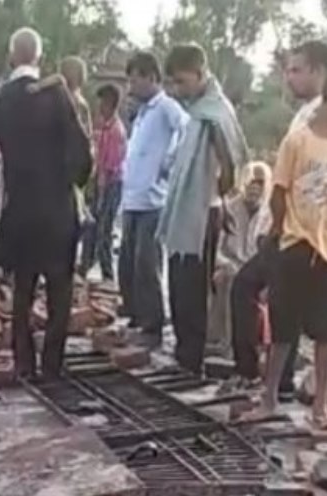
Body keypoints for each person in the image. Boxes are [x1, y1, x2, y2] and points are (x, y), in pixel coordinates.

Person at [247, 60, 327, 429]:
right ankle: (268, 397)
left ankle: (320, 405)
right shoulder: (298, 139)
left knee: (325, 330)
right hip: (298, 243)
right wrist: (282, 234)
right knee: (284, 327)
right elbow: (279, 192)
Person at [0, 28, 92, 378]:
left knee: (23, 288)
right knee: (60, 289)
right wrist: (70, 185)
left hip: (20, 212)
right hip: (58, 212)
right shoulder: (58, 96)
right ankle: (53, 365)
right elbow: (83, 156)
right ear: (38, 57)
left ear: (12, 57)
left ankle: (25, 364)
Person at [229, 41, 327, 397]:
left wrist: (280, 227)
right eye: (288, 69)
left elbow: (310, 183)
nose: (289, 78)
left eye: (296, 70)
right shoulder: (305, 113)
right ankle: (270, 378)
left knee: (263, 296)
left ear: (319, 72)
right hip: (286, 228)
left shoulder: (322, 118)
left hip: (294, 230)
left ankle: (267, 379)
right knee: (272, 300)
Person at [158, 44, 248, 375]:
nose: (177, 90)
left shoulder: (214, 111)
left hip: (201, 213)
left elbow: (231, 161)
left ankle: (190, 359)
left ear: (199, 74)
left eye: (181, 82)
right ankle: (184, 353)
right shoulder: (199, 110)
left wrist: (217, 197)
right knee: (180, 284)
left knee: (191, 289)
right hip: (187, 210)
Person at [119, 51, 188, 350]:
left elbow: (186, 129)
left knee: (146, 264)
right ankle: (136, 317)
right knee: (128, 265)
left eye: (135, 77)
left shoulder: (166, 107)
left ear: (150, 77)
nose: (131, 84)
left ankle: (152, 324)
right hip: (132, 198)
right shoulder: (143, 112)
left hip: (152, 200)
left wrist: (169, 164)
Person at [208, 162, 272, 359]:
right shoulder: (229, 209)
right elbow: (215, 251)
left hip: (256, 271)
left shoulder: (270, 214)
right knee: (229, 279)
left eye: (260, 183)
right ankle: (226, 344)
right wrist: (226, 264)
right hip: (229, 266)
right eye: (251, 182)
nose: (255, 187)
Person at [79, 83, 127, 282]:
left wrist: (99, 193)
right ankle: (84, 266)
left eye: (101, 104)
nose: (99, 108)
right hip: (102, 182)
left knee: (103, 230)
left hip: (110, 185)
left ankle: (108, 276)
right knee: (91, 226)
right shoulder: (105, 127)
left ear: (110, 104)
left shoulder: (115, 131)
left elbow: (108, 168)